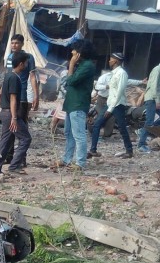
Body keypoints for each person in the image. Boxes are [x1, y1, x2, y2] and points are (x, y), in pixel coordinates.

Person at [56, 40, 96, 171]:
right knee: (69, 133)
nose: (72, 53)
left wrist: (71, 64)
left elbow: (71, 80)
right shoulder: (82, 65)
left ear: (80, 52)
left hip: (78, 104)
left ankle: (80, 163)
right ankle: (67, 159)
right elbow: (68, 83)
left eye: (74, 50)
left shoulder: (87, 66)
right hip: (71, 104)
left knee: (79, 135)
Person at [0, 51, 31, 177]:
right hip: (10, 114)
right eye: (25, 63)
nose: (26, 65)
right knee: (25, 139)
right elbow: (13, 98)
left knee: (6, 141)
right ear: (20, 64)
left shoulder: (8, 75)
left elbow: (1, 92)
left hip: (5, 113)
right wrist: (14, 117)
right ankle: (14, 166)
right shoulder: (14, 78)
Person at [88, 53, 133, 159]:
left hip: (117, 105)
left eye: (111, 59)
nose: (109, 61)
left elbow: (119, 92)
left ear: (116, 61)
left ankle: (129, 151)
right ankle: (93, 150)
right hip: (110, 103)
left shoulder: (122, 73)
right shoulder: (113, 73)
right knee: (97, 125)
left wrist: (111, 108)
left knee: (122, 128)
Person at [5, 35, 39, 165]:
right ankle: (9, 156)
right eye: (12, 43)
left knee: (21, 127)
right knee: (10, 128)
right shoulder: (9, 57)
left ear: (22, 44)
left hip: (23, 97)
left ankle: (21, 159)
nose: (14, 45)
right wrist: (2, 91)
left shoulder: (28, 58)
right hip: (10, 96)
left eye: (16, 43)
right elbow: (7, 75)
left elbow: (32, 76)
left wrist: (36, 95)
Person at [137, 62, 160, 153]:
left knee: (155, 120)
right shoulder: (157, 70)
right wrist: (157, 101)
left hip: (155, 99)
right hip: (152, 99)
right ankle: (141, 144)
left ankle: (142, 131)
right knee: (150, 121)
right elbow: (154, 87)